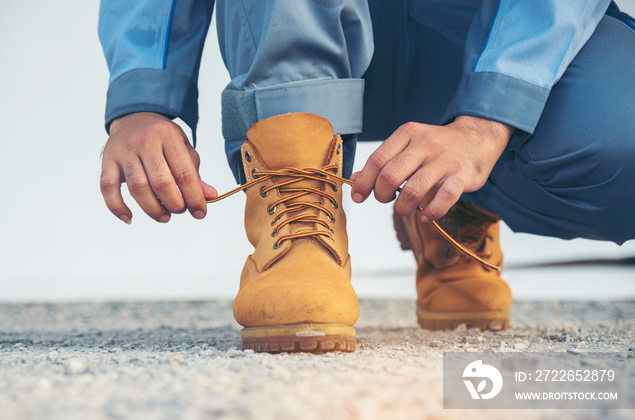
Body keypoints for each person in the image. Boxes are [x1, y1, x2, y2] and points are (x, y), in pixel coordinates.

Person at [98, 1, 635, 352]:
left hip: (478, 28)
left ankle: (451, 201)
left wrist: (490, 119)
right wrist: (143, 97)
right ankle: (299, 213)